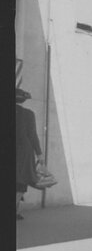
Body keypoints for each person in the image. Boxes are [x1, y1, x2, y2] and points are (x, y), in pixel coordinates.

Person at [17, 88, 44, 220]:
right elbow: (33, 136)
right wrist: (39, 154)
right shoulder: (28, 114)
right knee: (21, 182)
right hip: (23, 152)